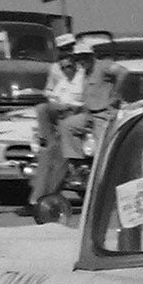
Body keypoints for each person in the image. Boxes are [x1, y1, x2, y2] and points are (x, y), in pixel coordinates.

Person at [23, 32, 110, 216]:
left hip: (75, 125)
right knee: (46, 156)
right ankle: (37, 200)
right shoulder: (61, 76)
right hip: (62, 125)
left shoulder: (86, 75)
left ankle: (47, 199)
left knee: (59, 158)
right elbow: (51, 95)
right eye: (64, 53)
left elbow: (89, 102)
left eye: (71, 53)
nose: (67, 65)